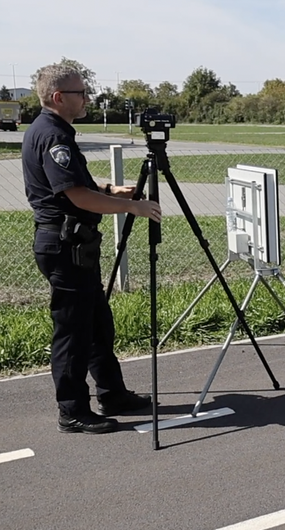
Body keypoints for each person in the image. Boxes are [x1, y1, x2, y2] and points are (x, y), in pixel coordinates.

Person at [22, 64, 162, 434]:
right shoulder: (53, 136)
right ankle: (72, 410)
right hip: (64, 244)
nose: (86, 98)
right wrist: (133, 206)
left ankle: (112, 393)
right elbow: (74, 195)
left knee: (97, 322)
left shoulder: (55, 131)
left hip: (74, 243)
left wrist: (110, 190)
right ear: (58, 97)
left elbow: (78, 184)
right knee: (73, 330)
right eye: (80, 93)